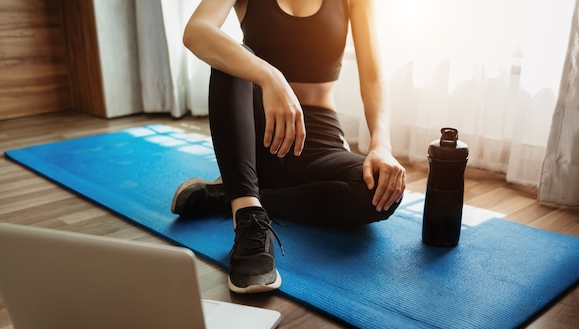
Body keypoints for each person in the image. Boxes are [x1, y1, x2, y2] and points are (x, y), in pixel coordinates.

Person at [172, 0, 406, 294]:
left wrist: (381, 145)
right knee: (231, 56)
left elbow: (372, 78)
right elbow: (197, 31)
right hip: (257, 137)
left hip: (320, 141)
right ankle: (248, 217)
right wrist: (271, 76)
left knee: (381, 190)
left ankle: (231, 196)